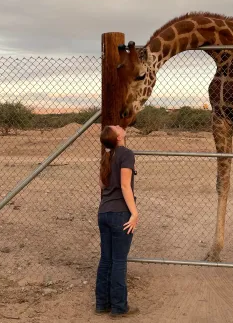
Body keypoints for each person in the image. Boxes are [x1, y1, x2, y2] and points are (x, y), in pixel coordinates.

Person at [95, 124, 140, 319]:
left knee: (106, 259)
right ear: (118, 137)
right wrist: (134, 213)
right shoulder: (126, 154)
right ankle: (119, 308)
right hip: (120, 214)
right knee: (119, 261)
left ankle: (101, 304)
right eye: (116, 127)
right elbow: (124, 185)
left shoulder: (106, 157)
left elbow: (103, 185)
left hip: (104, 213)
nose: (118, 125)